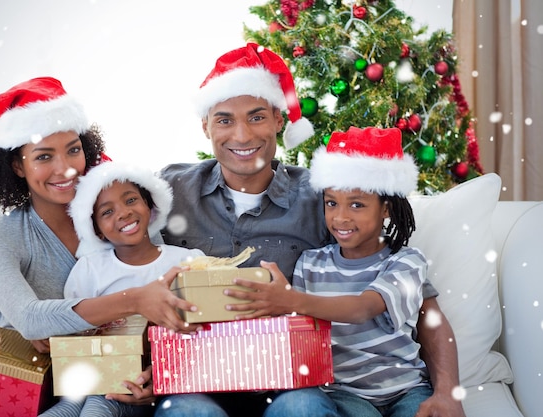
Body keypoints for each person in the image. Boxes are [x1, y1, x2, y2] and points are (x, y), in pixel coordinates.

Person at [157, 44, 466, 417]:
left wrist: (447, 391)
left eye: (256, 117)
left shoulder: (323, 198)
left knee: (303, 408)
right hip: (198, 379)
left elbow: (421, 307)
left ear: (278, 119)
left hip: (288, 383)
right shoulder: (167, 192)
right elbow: (113, 250)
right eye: (224, 120)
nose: (241, 135)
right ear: (205, 126)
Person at [0, 77, 198, 416]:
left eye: (73, 150)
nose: (66, 168)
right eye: (44, 156)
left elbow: (165, 294)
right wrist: (134, 299)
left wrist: (159, 376)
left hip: (119, 382)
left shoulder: (122, 217)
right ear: (17, 165)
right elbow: (30, 321)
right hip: (35, 386)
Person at [239, 126, 433, 416]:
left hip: (405, 389)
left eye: (357, 204)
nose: (340, 217)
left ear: (386, 209)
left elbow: (363, 308)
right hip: (342, 393)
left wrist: (291, 299)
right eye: (331, 203)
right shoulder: (310, 263)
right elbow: (301, 333)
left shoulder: (406, 262)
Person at [42, 161, 205, 417]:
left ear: (150, 206)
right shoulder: (90, 269)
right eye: (107, 212)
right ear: (97, 229)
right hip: (95, 375)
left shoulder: (187, 262)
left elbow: (206, 330)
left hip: (149, 383)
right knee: (66, 409)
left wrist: (162, 375)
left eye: (131, 200)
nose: (123, 213)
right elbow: (71, 331)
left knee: (98, 409)